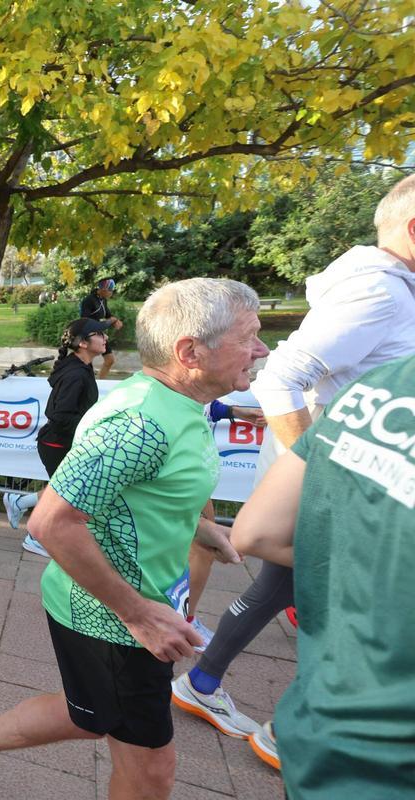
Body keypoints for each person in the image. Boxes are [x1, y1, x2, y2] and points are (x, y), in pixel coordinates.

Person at [0, 278, 264, 800]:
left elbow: (137, 494)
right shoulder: (139, 423)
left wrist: (198, 527)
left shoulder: (176, 402)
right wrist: (140, 614)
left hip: (124, 615)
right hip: (113, 622)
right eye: (249, 337)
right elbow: (51, 522)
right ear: (190, 352)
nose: (262, 350)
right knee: (153, 771)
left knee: (91, 716)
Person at [171, 173, 415, 759]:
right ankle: (292, 728)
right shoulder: (378, 292)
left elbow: (321, 382)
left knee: (285, 582)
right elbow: (285, 376)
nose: (253, 347)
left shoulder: (386, 288)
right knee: (353, 595)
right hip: (357, 477)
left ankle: (204, 684)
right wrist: (317, 470)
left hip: (353, 469)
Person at [230, 354, 414, 798]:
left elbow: (255, 532)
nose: (258, 349)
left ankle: (203, 680)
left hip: (319, 726)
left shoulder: (377, 382)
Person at [2, 317, 109, 556]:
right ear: (82, 343)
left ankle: (19, 503)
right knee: (66, 496)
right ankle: (36, 537)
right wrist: (90, 432)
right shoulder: (76, 374)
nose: (105, 338)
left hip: (64, 441)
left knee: (64, 490)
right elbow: (61, 416)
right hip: (57, 442)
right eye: (99, 334)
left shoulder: (79, 365)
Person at [79, 278, 123, 379]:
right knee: (87, 362)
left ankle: (100, 383)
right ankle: (85, 385)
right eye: (110, 290)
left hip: (99, 332)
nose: (112, 292)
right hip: (89, 334)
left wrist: (115, 320)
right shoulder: (89, 300)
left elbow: (108, 315)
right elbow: (85, 320)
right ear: (102, 289)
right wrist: (108, 322)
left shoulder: (103, 300)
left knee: (109, 360)